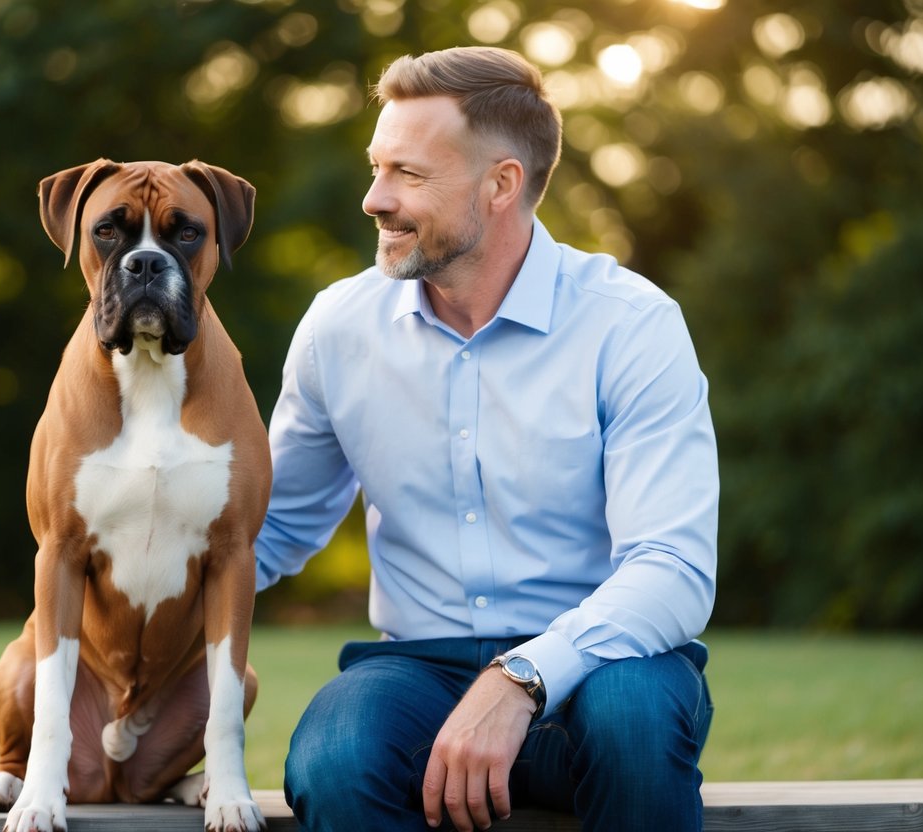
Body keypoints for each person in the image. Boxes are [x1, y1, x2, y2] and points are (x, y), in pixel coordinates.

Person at [254, 46, 718, 832]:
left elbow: (672, 570)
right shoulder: (339, 326)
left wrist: (521, 678)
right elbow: (265, 531)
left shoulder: (630, 324)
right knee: (335, 755)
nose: (373, 199)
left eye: (407, 174)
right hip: (415, 669)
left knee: (634, 723)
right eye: (376, 167)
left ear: (501, 184)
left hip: (604, 666)